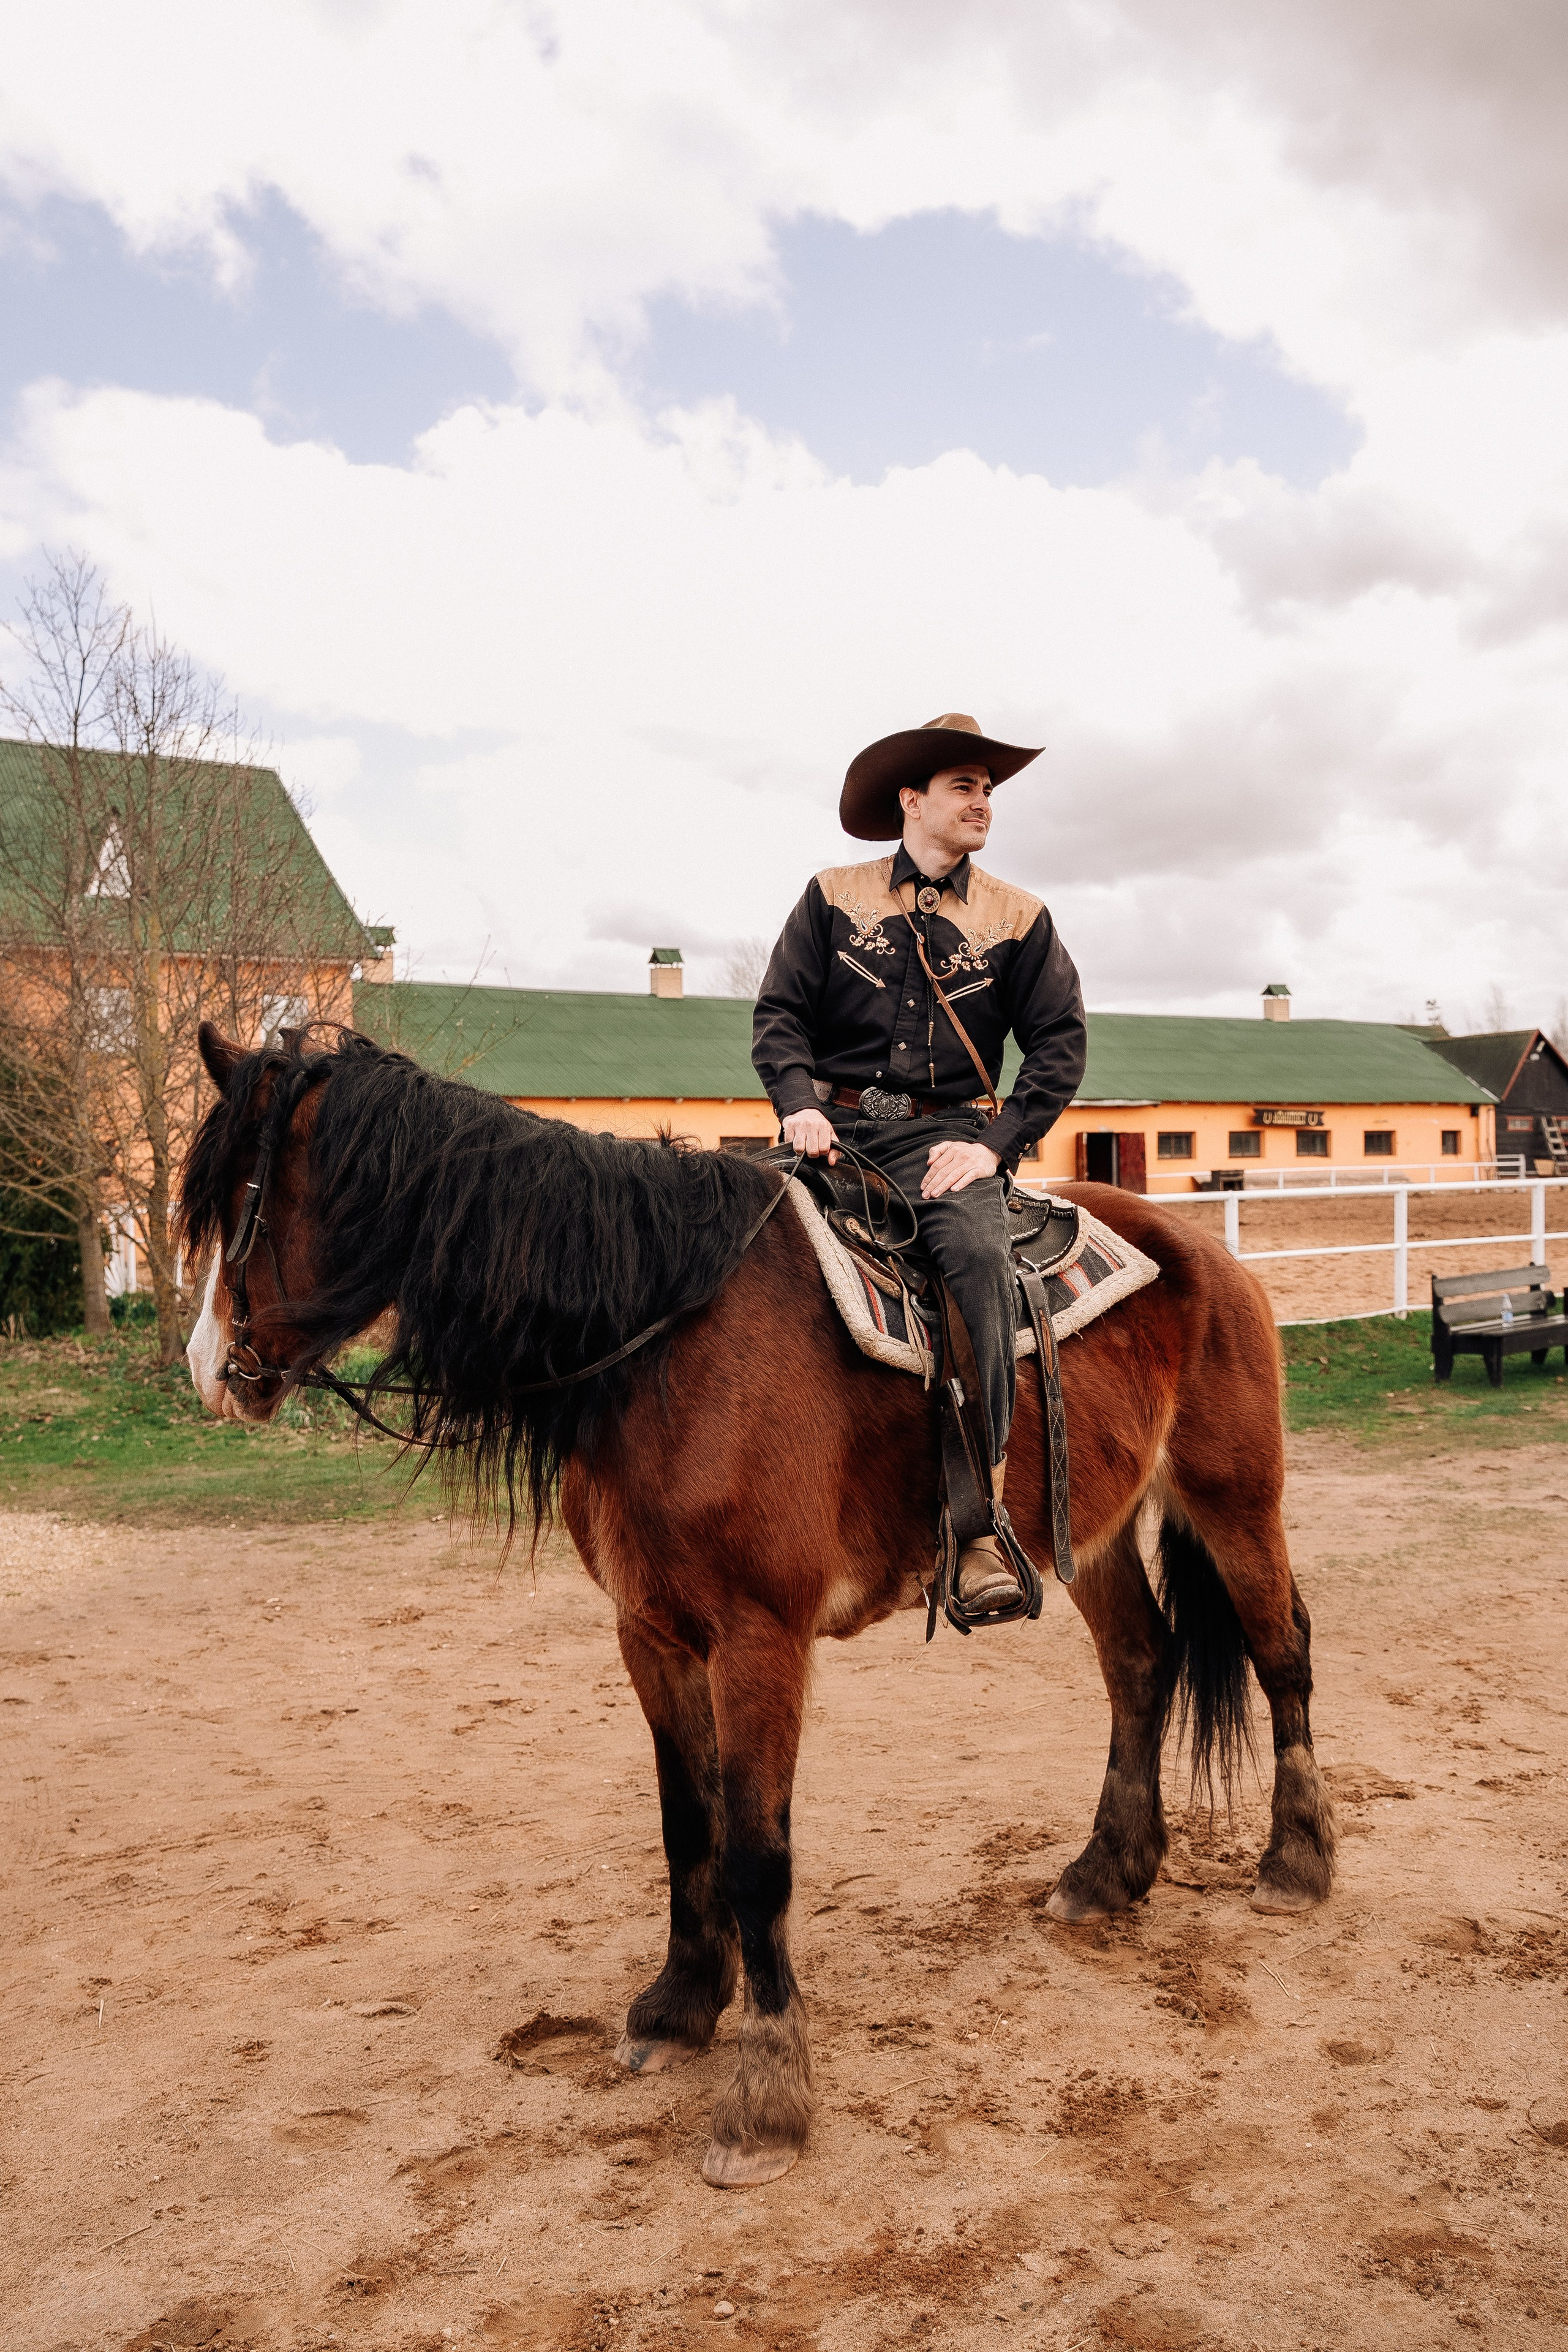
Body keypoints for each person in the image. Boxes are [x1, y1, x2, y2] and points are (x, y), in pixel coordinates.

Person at [752, 712, 1087, 1613]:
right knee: (726, 1242)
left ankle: (977, 1527)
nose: (983, 801)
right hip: (832, 1132)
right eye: (965, 786)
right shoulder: (833, 894)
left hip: (947, 1145)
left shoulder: (1020, 918)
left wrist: (989, 1147)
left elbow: (1057, 1047)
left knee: (976, 1266)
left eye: (988, 788)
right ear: (914, 800)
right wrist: (799, 1105)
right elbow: (780, 1015)